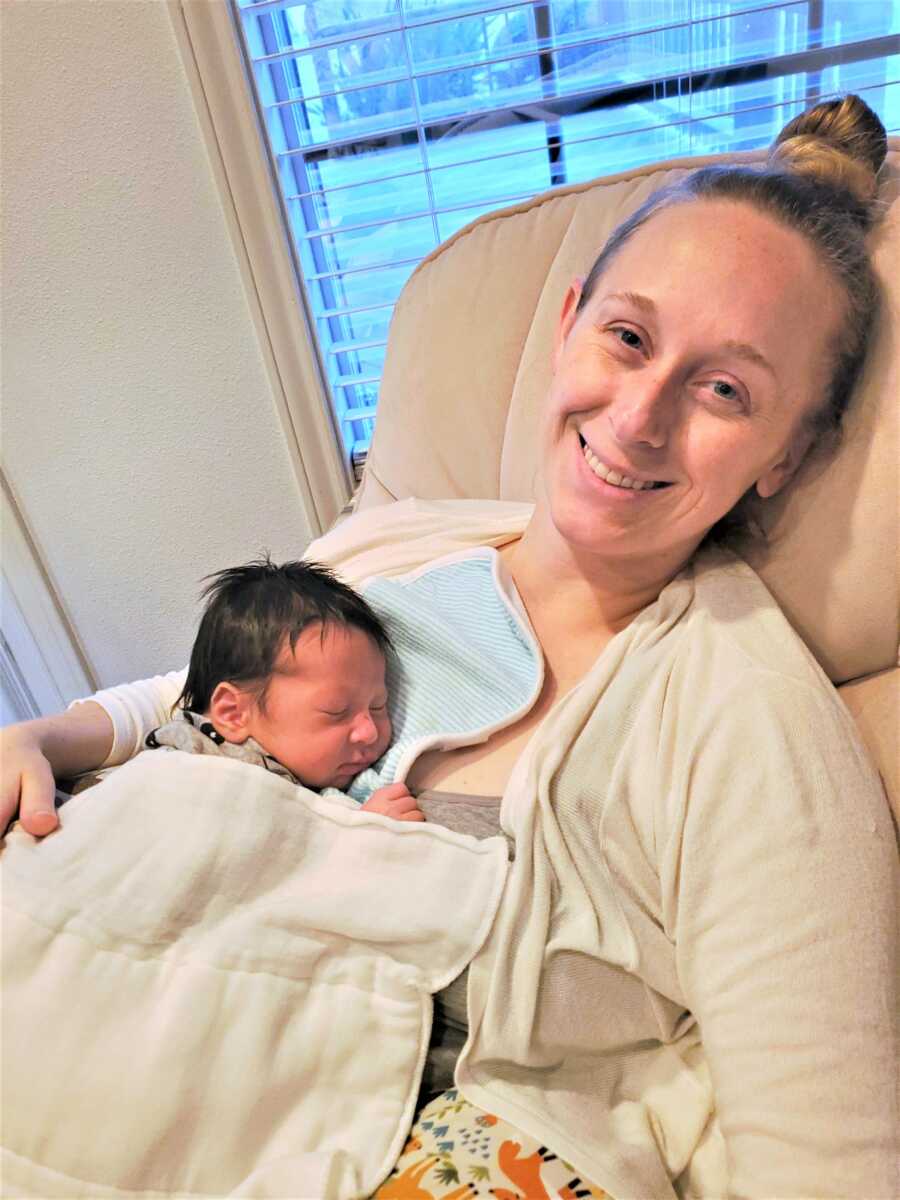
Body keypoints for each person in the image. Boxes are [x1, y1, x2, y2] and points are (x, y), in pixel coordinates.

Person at [1, 94, 897, 1198]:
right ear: (568, 324)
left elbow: (833, 1161)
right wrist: (39, 733)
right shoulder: (395, 540)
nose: (638, 418)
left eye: (724, 390)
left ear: (786, 453)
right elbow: (212, 687)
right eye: (627, 337)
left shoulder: (744, 719)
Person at [137, 556, 423, 820]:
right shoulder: (207, 766)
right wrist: (363, 830)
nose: (369, 731)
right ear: (234, 713)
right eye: (335, 711)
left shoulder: (285, 769)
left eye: (378, 706)